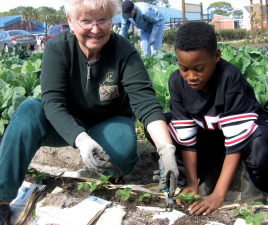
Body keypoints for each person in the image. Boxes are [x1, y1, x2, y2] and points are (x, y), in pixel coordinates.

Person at [0, 0, 178, 224]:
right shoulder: (58, 48)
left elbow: (147, 103)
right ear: (71, 22)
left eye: (103, 20)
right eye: (86, 21)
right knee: (28, 110)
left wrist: (166, 149)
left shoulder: (124, 52)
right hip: (65, 121)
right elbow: (52, 103)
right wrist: (81, 139)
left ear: (111, 21)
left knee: (123, 152)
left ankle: (104, 172)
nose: (95, 29)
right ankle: (2, 199)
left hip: (108, 120)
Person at [146, 21, 268, 216]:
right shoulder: (176, 82)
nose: (191, 76)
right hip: (213, 134)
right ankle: (197, 176)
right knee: (161, 128)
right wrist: (193, 183)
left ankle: (252, 190)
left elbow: (236, 143)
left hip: (246, 133)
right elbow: (186, 139)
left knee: (261, 144)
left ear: (216, 56)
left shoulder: (229, 77)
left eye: (199, 69)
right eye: (184, 68)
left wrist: (219, 195)